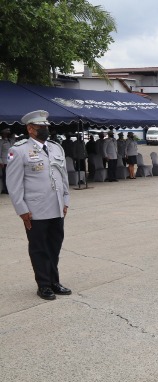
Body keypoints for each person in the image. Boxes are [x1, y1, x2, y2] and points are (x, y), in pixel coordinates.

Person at [5, 110, 71, 300]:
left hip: (57, 207)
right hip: (35, 210)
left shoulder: (56, 148)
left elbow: (63, 177)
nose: (45, 129)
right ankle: (43, 285)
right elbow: (14, 184)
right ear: (30, 129)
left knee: (54, 247)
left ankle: (54, 281)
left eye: (46, 126)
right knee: (39, 248)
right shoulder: (18, 150)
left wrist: (66, 201)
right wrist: (22, 210)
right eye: (41, 127)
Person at [1, 128, 13, 194]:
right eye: (5, 133)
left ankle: (10, 188)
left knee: (11, 175)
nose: (7, 134)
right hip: (4, 162)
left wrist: (12, 160)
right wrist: (1, 161)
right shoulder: (1, 142)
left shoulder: (10, 141)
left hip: (10, 160)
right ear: (2, 134)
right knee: (5, 176)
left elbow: (11, 151)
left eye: (8, 133)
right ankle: (6, 189)